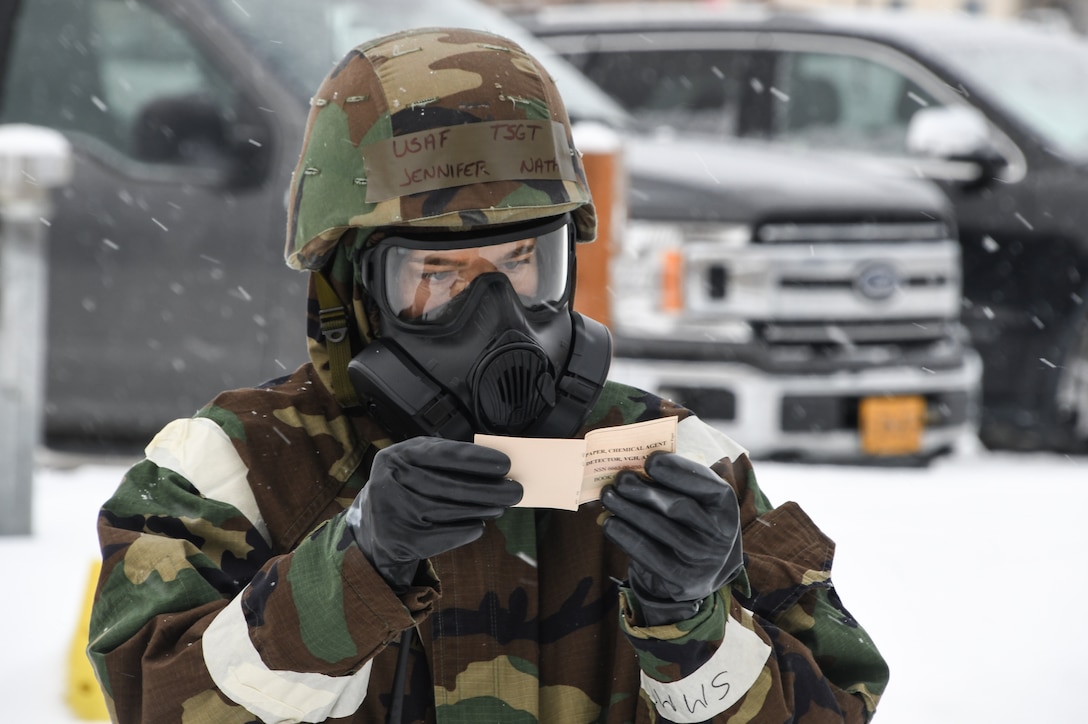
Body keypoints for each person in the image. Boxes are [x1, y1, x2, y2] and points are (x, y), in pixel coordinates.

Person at [87, 27, 888, 723]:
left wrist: (693, 624)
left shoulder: (670, 460)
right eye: (438, 272)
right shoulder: (230, 471)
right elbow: (155, 703)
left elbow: (838, 705)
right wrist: (353, 571)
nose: (498, 319)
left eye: (523, 264)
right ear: (351, 288)